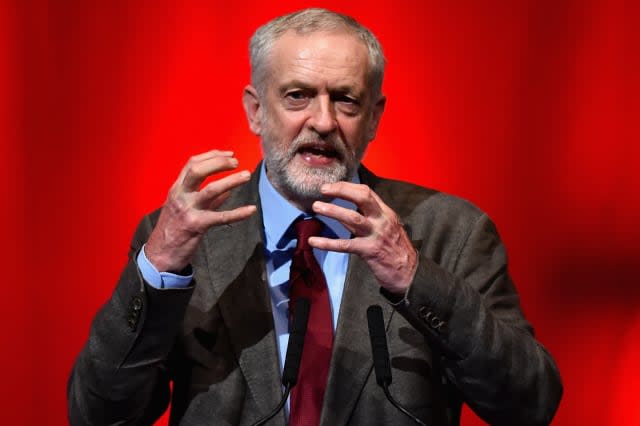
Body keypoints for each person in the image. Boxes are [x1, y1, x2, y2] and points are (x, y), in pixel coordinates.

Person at [68, 8, 562, 426]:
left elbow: (529, 404)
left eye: (345, 99)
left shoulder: (450, 232)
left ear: (373, 117)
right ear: (256, 111)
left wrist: (415, 277)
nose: (322, 122)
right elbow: (99, 413)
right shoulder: (181, 237)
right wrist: (158, 271)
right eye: (297, 95)